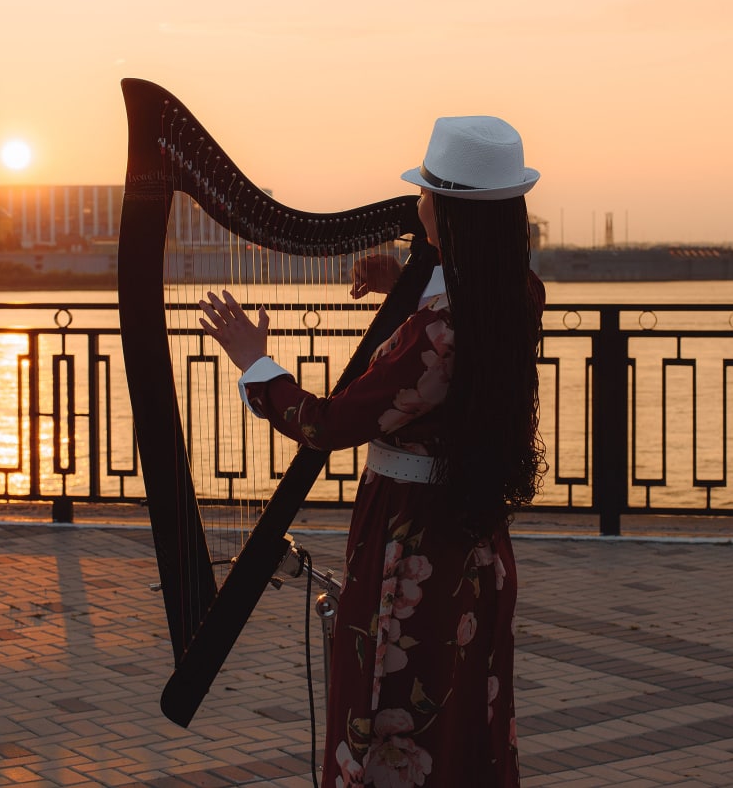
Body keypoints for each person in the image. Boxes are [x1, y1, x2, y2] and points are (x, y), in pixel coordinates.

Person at [198, 115, 545, 787]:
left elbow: (325, 425)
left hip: (409, 548)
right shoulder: (513, 295)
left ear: (446, 211)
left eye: (426, 195)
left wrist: (254, 364)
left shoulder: (440, 333)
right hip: (472, 543)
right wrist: (406, 283)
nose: (416, 206)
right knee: (462, 724)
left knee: (389, 715)